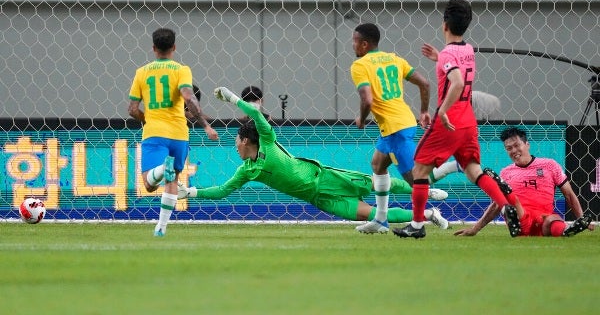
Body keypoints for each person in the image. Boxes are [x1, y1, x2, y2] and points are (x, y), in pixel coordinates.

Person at [177, 86, 450, 229]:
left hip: (325, 178)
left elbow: (258, 115)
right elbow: (223, 191)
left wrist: (233, 99)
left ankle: (424, 187)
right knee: (375, 214)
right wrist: (189, 191)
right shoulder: (248, 170)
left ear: (246, 139)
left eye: (236, 141)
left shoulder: (268, 141)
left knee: (377, 182)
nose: (234, 145)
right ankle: (427, 214)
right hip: (319, 198)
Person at [393, 0, 521, 239]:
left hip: (449, 121)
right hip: (468, 121)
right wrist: (439, 58)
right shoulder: (467, 50)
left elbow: (458, 81)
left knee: (419, 168)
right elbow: (457, 67)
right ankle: (505, 207)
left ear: (444, 25)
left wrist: (442, 110)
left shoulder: (448, 55)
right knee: (473, 170)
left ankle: (417, 226)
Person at [350, 23, 460, 234]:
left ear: (364, 44)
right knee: (377, 165)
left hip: (394, 129)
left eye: (355, 41)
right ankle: (380, 220)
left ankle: (456, 165)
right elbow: (425, 83)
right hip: (402, 122)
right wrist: (424, 111)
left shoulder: (360, 66)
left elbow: (367, 99)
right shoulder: (394, 59)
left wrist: (362, 119)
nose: (353, 45)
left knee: (416, 180)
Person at [127, 27, 219, 237]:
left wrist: (148, 119)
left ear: (153, 48)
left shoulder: (142, 73)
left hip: (155, 132)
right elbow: (189, 98)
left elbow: (132, 109)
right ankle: (161, 228)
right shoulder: (181, 69)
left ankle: (160, 168)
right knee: (173, 182)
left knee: (150, 185)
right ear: (174, 47)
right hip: (179, 134)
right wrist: (205, 125)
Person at [454, 127, 593, 237]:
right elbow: (497, 205)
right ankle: (510, 201)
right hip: (520, 221)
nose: (514, 151)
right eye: (509, 148)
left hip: (543, 221)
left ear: (527, 144)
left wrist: (581, 219)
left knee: (552, 220)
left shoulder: (550, 165)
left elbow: (569, 194)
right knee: (515, 208)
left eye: (516, 145)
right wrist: (475, 229)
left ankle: (566, 231)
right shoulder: (506, 172)